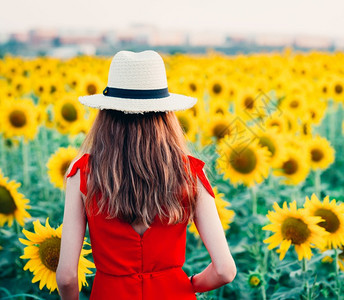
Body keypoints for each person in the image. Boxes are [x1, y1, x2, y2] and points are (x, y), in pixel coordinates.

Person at [56, 50, 237, 299]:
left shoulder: (82, 173)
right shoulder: (190, 174)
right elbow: (225, 270)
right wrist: (187, 283)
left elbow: (66, 276)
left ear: (106, 113)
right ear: (165, 115)